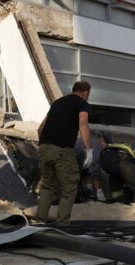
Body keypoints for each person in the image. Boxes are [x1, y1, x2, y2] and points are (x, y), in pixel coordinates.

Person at [36, 81, 93, 225]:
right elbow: (83, 124)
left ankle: (40, 221)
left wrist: (45, 144)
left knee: (48, 185)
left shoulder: (57, 102)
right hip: (62, 150)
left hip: (44, 147)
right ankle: (62, 224)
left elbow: (40, 128)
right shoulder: (81, 103)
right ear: (85, 92)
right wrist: (88, 149)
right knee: (70, 186)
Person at [99, 134, 135, 205]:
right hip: (121, 161)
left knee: (117, 188)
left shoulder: (115, 146)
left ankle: (119, 205)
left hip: (107, 161)